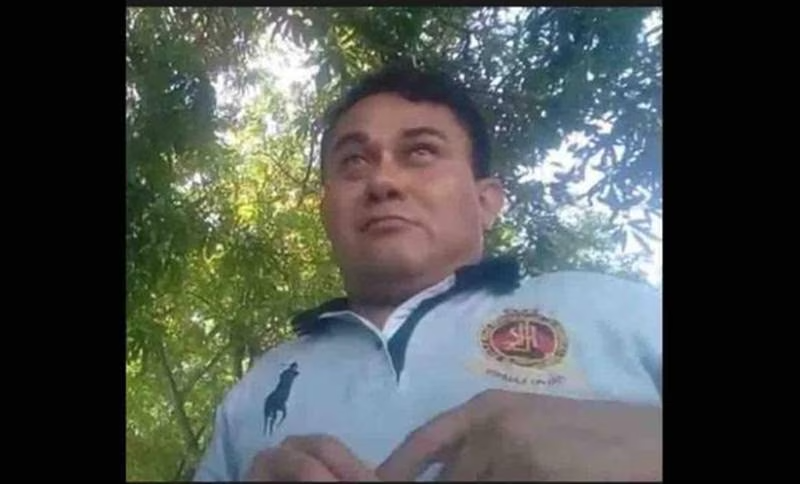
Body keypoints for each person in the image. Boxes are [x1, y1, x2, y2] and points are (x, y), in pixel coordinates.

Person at [193, 64, 662, 481]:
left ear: (486, 201)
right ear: (325, 211)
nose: (382, 181)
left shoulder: (616, 308)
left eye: (420, 152)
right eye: (354, 161)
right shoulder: (256, 389)